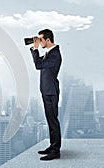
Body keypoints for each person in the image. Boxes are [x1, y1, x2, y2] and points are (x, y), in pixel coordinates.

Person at [30, 29, 62, 161]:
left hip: (51, 92)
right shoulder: (49, 53)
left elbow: (38, 65)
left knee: (53, 121)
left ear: (48, 40)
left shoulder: (54, 55)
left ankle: (55, 150)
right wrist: (36, 47)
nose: (39, 42)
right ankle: (52, 145)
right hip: (47, 91)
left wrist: (35, 49)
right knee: (50, 120)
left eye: (41, 40)